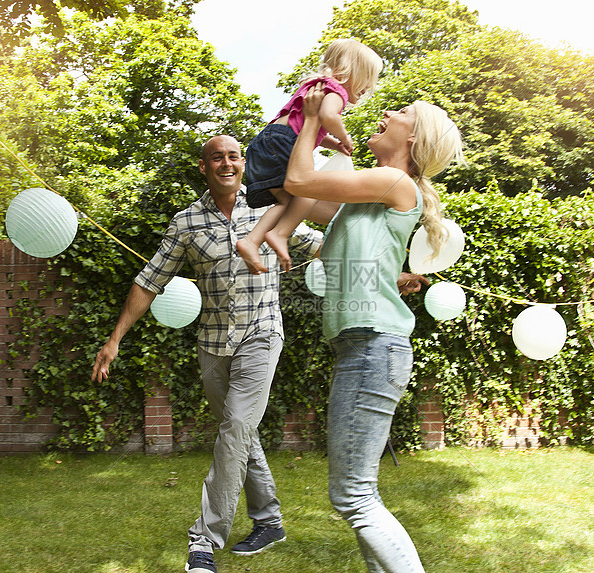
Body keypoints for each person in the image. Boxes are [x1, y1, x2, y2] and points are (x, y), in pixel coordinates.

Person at [91, 135, 322, 573]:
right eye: (217, 157)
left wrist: (388, 269)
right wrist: (115, 337)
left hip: (261, 334)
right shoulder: (187, 223)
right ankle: (269, 522)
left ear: (243, 163)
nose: (227, 163)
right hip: (213, 344)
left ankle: (205, 539)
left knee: (235, 427)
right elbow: (149, 280)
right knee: (240, 433)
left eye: (235, 156)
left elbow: (321, 243)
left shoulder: (270, 207)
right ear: (204, 167)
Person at [284, 83, 464, 572]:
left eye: (401, 111)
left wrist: (317, 119)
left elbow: (300, 179)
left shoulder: (393, 182)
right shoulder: (367, 196)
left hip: (373, 350)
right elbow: (292, 192)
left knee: (354, 497)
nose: (386, 111)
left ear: (413, 139)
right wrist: (294, 123)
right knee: (357, 495)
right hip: (361, 350)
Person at [236, 38, 383, 275]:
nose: (369, 88)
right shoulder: (336, 90)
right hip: (282, 142)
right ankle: (279, 233)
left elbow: (306, 125)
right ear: (349, 73)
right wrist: (345, 137)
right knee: (310, 190)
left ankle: (252, 240)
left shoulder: (314, 86)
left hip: (267, 142)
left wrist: (332, 144)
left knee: (286, 202)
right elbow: (327, 116)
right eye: (366, 80)